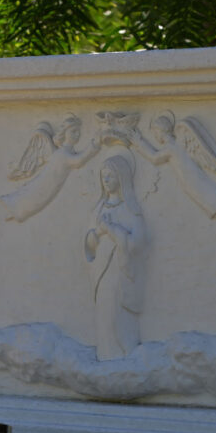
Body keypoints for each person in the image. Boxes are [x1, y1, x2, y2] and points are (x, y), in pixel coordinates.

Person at [84, 154, 147, 360]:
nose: (107, 180)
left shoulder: (131, 209)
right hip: (101, 271)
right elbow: (89, 244)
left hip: (119, 271)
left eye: (111, 175)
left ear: (122, 177)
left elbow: (137, 243)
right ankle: (106, 356)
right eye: (104, 176)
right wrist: (98, 234)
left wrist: (112, 229)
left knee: (116, 313)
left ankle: (122, 357)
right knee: (103, 313)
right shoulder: (99, 209)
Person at [130, 112, 216, 220]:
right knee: (204, 190)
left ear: (162, 130)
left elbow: (154, 157)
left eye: (155, 132)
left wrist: (139, 141)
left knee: (202, 191)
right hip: (190, 176)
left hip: (190, 176)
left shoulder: (171, 147)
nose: (154, 135)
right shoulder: (176, 143)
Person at [1, 115, 101, 222]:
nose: (77, 134)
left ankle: (14, 210)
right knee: (32, 200)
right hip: (45, 185)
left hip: (50, 186)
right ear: (64, 133)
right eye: (73, 131)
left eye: (78, 131)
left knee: (34, 201)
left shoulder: (65, 151)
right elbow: (79, 161)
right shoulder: (63, 153)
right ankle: (14, 210)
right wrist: (95, 144)